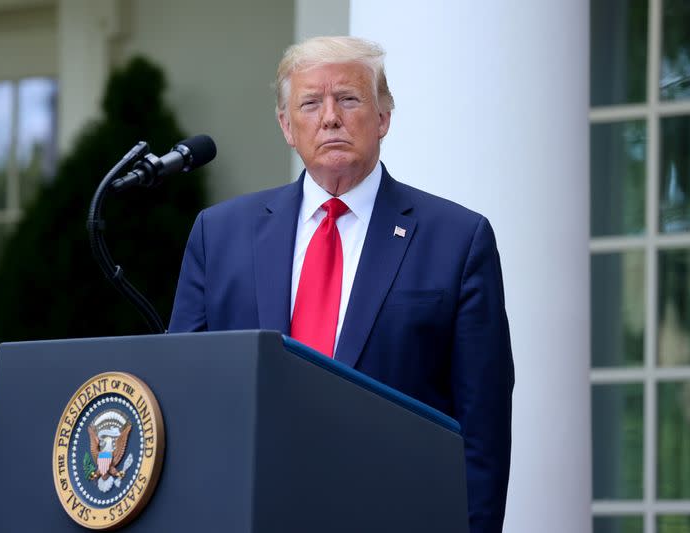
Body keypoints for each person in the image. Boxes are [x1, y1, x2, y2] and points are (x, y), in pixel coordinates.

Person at [169, 36, 514, 533]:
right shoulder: (220, 235)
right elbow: (185, 393)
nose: (330, 117)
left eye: (348, 99)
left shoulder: (457, 240)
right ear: (287, 126)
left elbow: (483, 429)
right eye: (310, 103)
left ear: (383, 117)